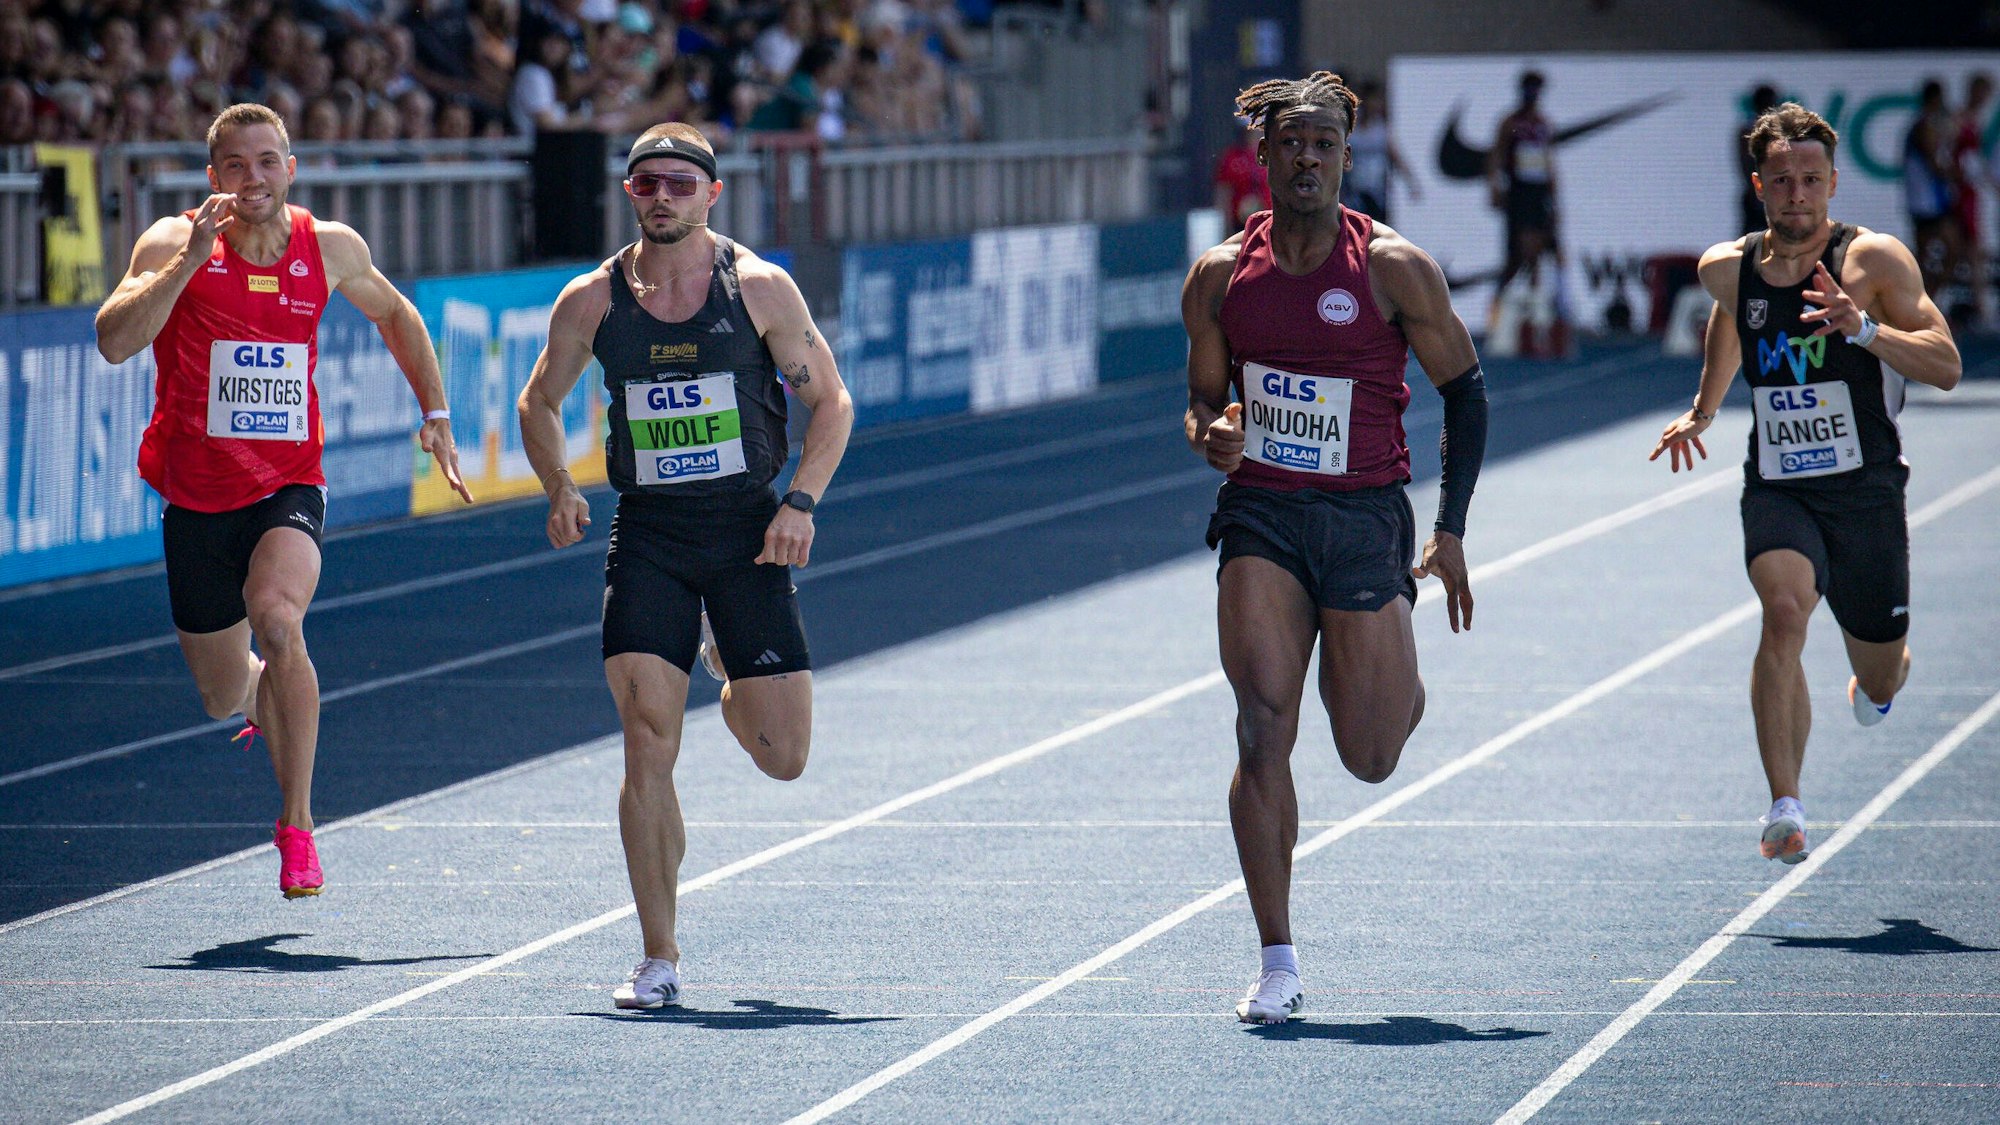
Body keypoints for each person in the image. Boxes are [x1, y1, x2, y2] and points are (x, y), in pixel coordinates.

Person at [93, 103, 473, 898]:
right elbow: (115, 340)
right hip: (197, 495)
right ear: (213, 178)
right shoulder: (172, 241)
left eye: (268, 161)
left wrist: (434, 413)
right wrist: (190, 261)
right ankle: (265, 691)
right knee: (219, 691)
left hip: (288, 481)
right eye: (236, 165)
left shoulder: (328, 247)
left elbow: (397, 315)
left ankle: (297, 827)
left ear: (291, 167)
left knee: (280, 615)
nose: (253, 178)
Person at [517, 123, 854, 1011]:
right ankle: (658, 955)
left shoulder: (762, 291)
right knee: (645, 745)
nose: (660, 196)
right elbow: (538, 400)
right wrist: (558, 483)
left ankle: (728, 668)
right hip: (651, 536)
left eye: (678, 183)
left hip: (748, 533)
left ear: (710, 194)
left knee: (784, 757)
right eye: (644, 184)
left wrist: (801, 503)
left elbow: (833, 406)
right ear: (629, 195)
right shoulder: (591, 301)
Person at [1183, 72, 1487, 1025]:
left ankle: (1394, 671)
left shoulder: (1395, 269)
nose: (1306, 156)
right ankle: (1277, 957)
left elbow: (1466, 393)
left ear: (1346, 156)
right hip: (1263, 511)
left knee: (1369, 753)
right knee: (1260, 724)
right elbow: (1201, 401)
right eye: (1290, 142)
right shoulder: (1221, 276)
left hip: (1363, 517)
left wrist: (1451, 529)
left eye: (1323, 142)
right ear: (1263, 157)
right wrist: (1212, 435)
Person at [1649, 103, 1961, 867]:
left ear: (1832, 183)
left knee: (1877, 664)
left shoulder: (1874, 261)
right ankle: (1784, 804)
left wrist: (1863, 330)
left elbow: (1947, 364)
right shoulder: (1728, 266)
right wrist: (1704, 408)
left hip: (1866, 495)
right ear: (1760, 186)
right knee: (1783, 612)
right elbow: (1731, 317)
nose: (1797, 195)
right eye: (1782, 181)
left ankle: (1884, 678)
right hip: (1781, 485)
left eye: (1811, 180)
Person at [1487, 70, 1561, 311]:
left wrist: (1555, 199)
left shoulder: (1544, 124)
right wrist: (1495, 186)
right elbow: (1496, 155)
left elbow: (1549, 163)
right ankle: (1497, 309)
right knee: (1516, 257)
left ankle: (1535, 309)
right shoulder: (1510, 123)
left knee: (1537, 254)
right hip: (1519, 192)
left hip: (1539, 193)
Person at [1903, 79, 1958, 297]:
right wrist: (1957, 176)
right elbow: (1934, 164)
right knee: (1946, 250)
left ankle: (1925, 297)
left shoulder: (1925, 124)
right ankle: (1923, 297)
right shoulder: (1923, 125)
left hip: (1925, 200)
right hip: (1926, 202)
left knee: (1931, 254)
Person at [1340, 78, 1419, 223]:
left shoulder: (1382, 129)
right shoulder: (1351, 130)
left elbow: (1396, 158)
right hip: (1355, 190)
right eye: (1372, 101)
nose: (1375, 105)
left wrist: (1411, 182)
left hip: (1378, 191)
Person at [1952, 72, 1995, 329]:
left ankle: (1981, 305)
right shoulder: (1961, 117)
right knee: (1969, 248)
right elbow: (1953, 155)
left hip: (1971, 191)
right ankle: (1981, 307)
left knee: (1972, 249)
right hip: (1961, 192)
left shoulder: (1977, 118)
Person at [1213, 115, 1272, 234]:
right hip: (1240, 227)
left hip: (1273, 224)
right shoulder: (1231, 158)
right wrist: (1225, 228)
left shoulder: (1276, 156)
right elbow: (1223, 195)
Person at [1738, 84, 1781, 235]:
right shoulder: (1747, 131)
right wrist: (1757, 191)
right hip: (1755, 197)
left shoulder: (1780, 133)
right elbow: (1745, 165)